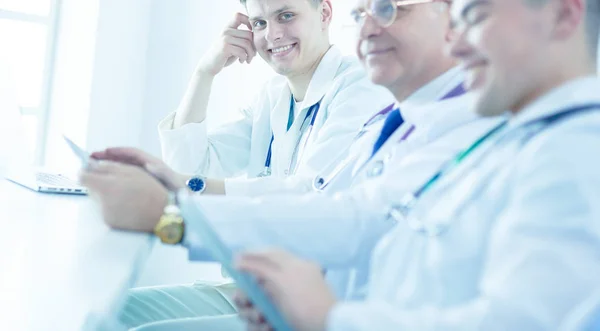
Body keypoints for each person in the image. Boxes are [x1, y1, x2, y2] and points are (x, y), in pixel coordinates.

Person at [82, 0, 505, 329]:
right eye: (261, 23)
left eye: (389, 9)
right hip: (278, 290)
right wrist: (203, 73)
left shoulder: (373, 93)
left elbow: (323, 201)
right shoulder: (380, 116)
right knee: (111, 310)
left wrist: (174, 212)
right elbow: (198, 168)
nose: (369, 28)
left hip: (315, 302)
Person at [228, 0, 600, 329]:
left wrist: (329, 318)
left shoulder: (575, 150)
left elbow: (519, 323)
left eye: (474, 16)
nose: (456, 42)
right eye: (359, 15)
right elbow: (377, 232)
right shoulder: (511, 140)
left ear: (564, 15)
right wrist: (297, 308)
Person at [141, 0, 393, 197]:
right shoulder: (271, 98)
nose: (272, 35)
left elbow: (312, 190)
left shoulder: (362, 85)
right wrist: (204, 72)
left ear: (324, 14)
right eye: (259, 23)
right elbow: (191, 169)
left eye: (286, 16)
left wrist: (191, 187)